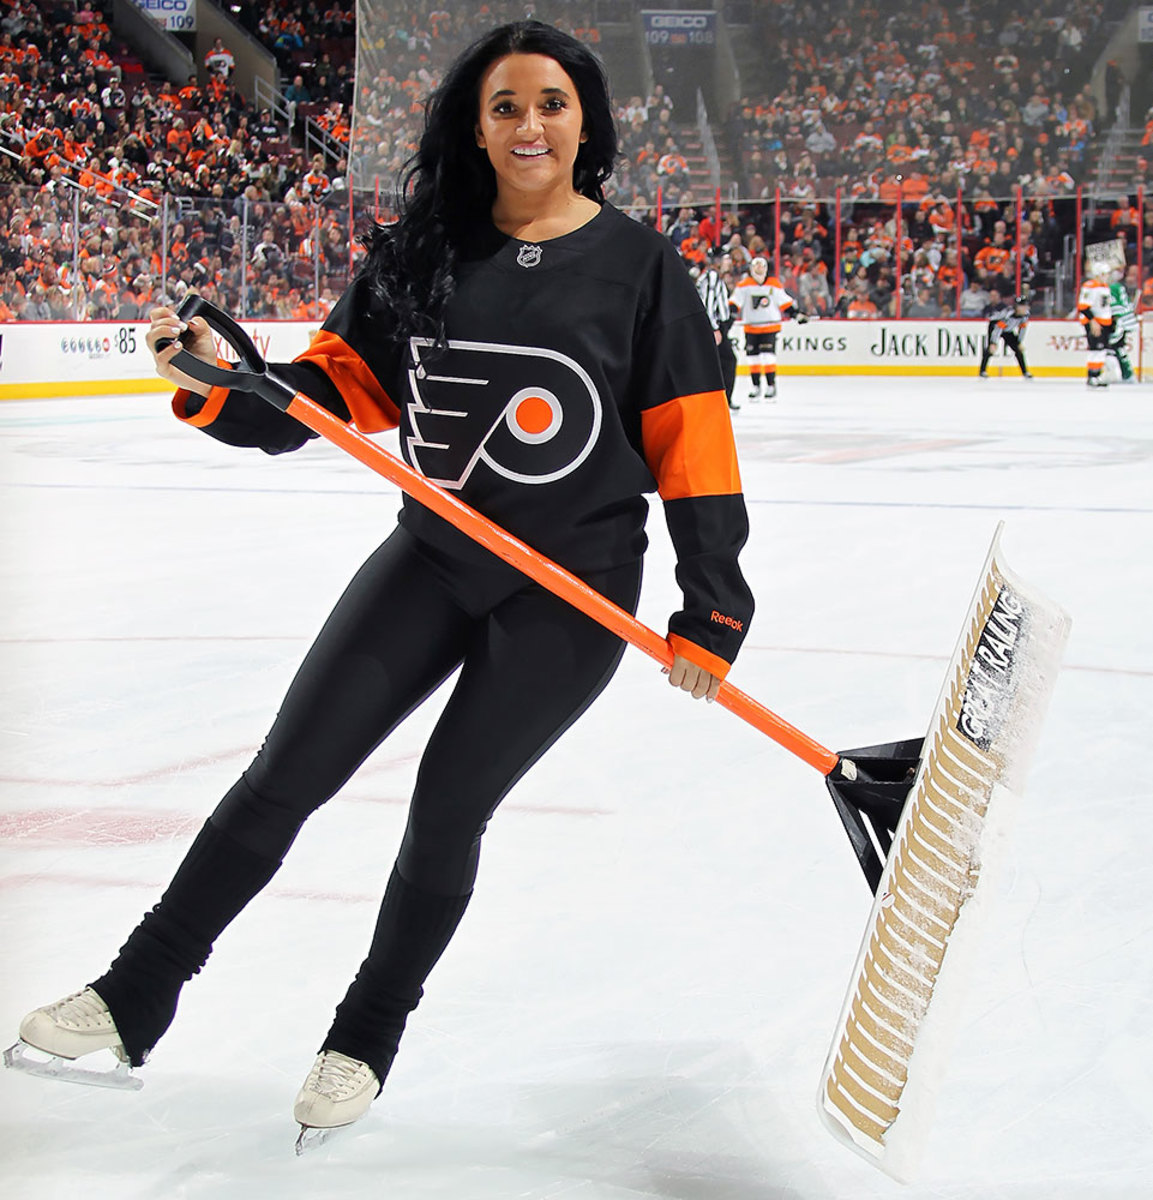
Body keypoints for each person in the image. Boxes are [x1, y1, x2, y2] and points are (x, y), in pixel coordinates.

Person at [9, 22, 754, 1148]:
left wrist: (712, 608)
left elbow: (691, 445)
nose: (529, 125)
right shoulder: (420, 252)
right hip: (432, 557)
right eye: (504, 105)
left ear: (586, 120)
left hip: (567, 594)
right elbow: (326, 394)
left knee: (444, 811)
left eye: (550, 102)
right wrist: (220, 385)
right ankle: (132, 997)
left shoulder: (642, 267)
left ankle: (364, 1036)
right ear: (474, 123)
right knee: (282, 775)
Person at [732, 256, 800, 400]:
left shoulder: (774, 284)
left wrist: (796, 314)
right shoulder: (744, 285)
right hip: (751, 327)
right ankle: (756, 386)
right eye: (756, 265)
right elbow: (735, 301)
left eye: (761, 265)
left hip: (770, 326)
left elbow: (785, 302)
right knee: (753, 358)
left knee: (768, 356)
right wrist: (731, 312)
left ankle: (770, 385)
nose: (759, 268)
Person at [696, 251, 738, 410]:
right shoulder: (712, 277)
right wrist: (714, 328)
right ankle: (722, 400)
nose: (729, 263)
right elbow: (708, 303)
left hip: (716, 326)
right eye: (726, 259)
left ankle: (720, 400)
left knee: (721, 362)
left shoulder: (712, 277)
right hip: (714, 326)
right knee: (727, 361)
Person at [978, 289, 1032, 379]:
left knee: (1018, 350)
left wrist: (1019, 342)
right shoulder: (1008, 314)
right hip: (995, 327)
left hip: (1007, 330)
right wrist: (993, 342)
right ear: (1017, 307)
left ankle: (1025, 372)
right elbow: (998, 329)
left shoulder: (1026, 315)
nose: (1025, 308)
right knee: (990, 349)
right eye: (1023, 306)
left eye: (1026, 306)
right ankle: (982, 371)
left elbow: (1023, 329)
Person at [1077, 272, 1114, 387]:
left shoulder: (1105, 287)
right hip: (1095, 322)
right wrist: (1093, 321)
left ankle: (1097, 375)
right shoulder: (1090, 286)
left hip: (1104, 322)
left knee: (1101, 350)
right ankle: (1092, 376)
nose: (1106, 276)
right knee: (1095, 349)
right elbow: (1083, 307)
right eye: (1104, 274)